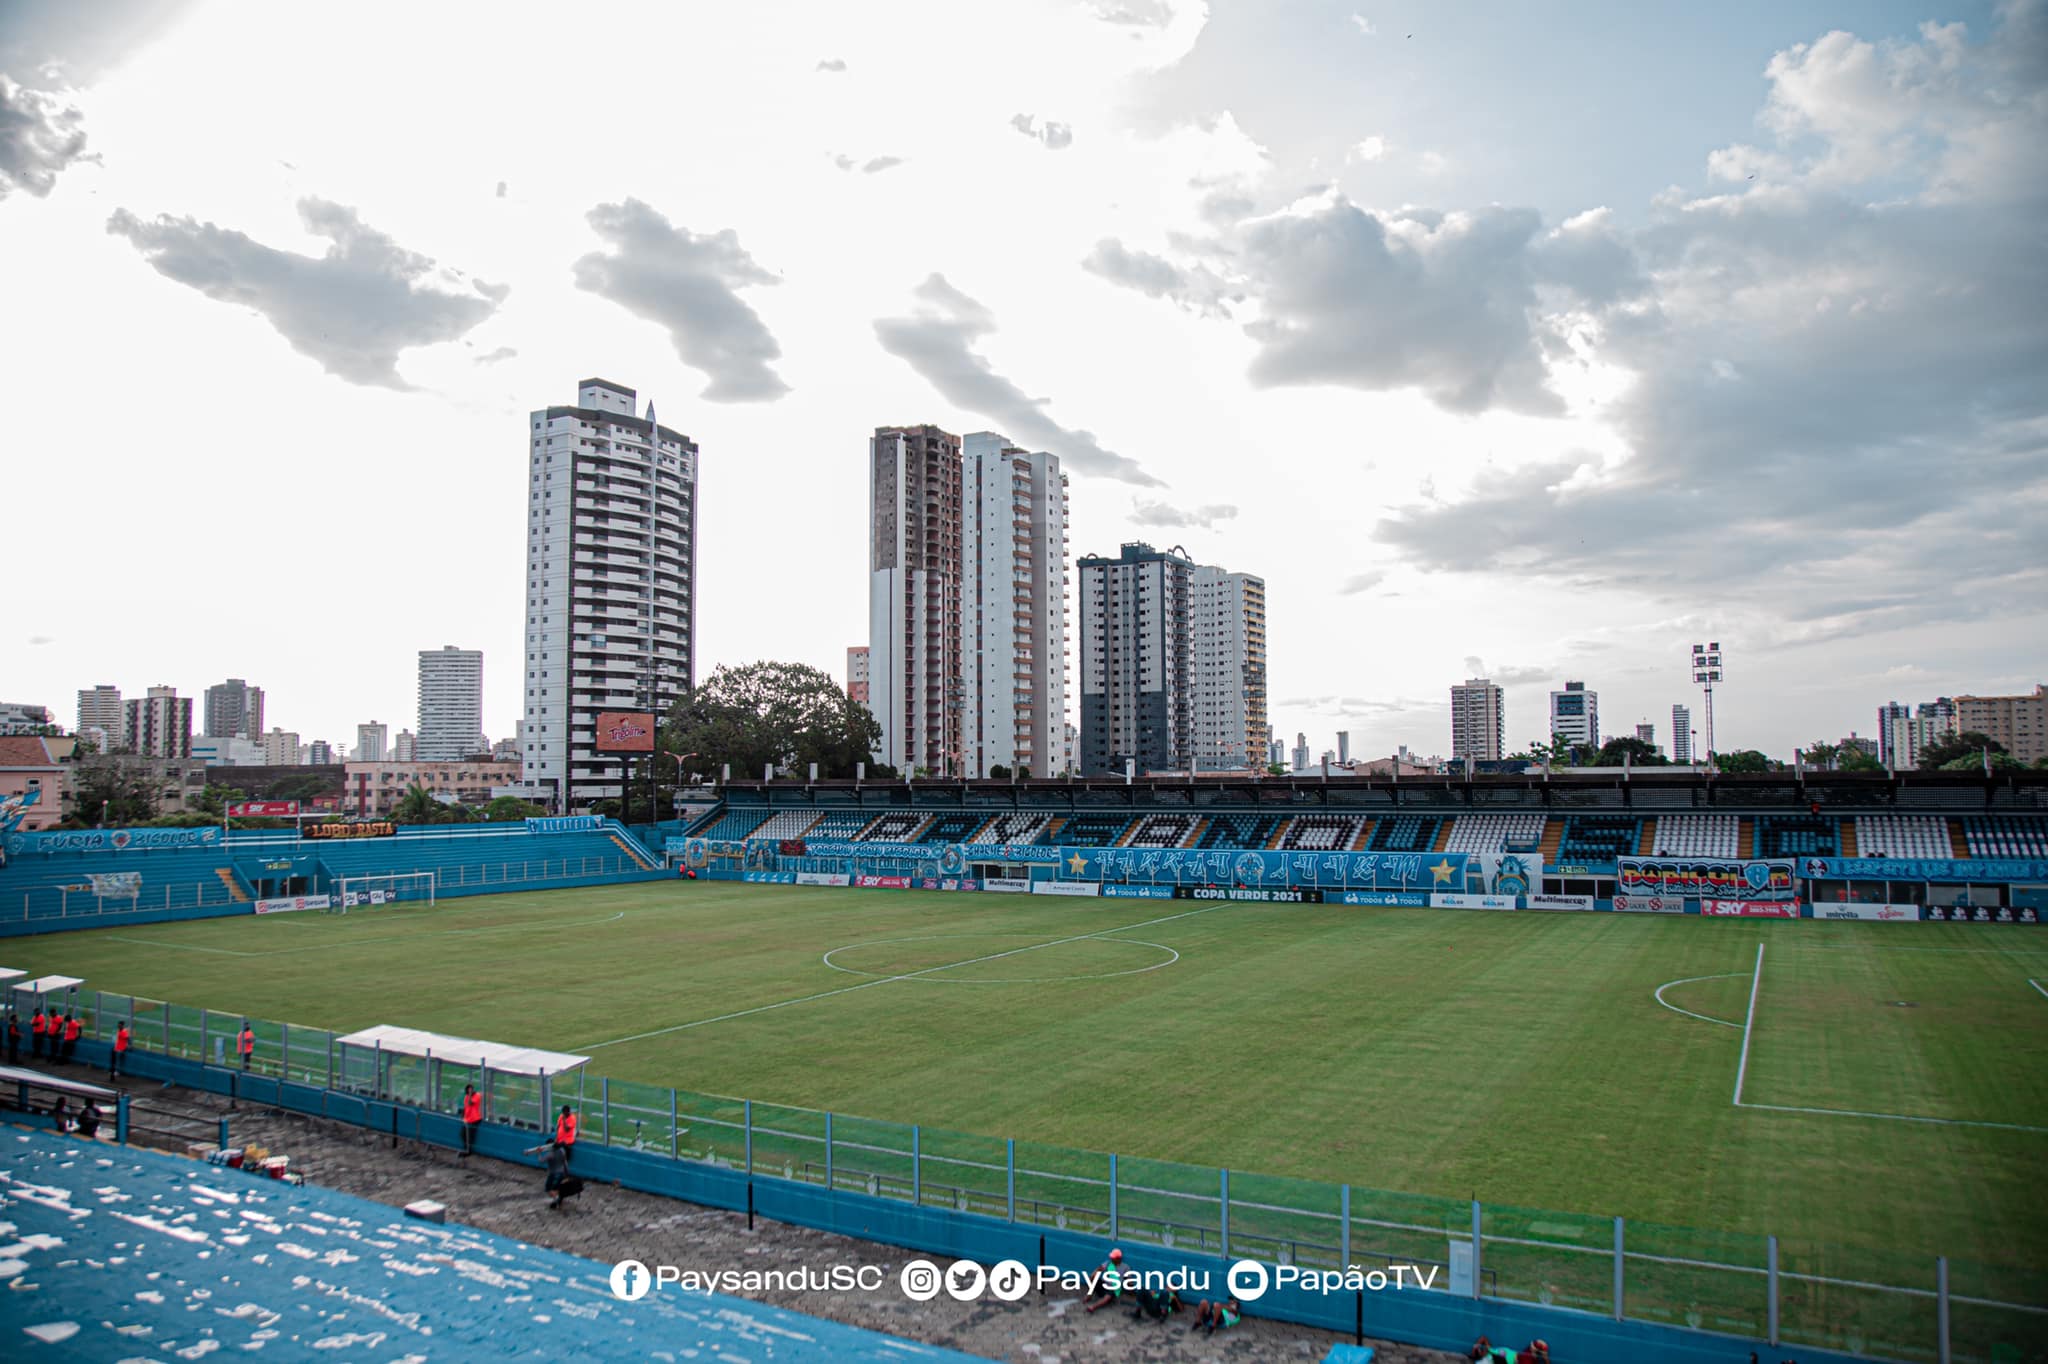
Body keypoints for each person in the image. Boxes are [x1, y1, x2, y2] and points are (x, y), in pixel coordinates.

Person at [1083, 1247, 1125, 1313]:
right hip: (1104, 1284)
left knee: (1108, 1296)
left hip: (1112, 1288)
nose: (1111, 1259)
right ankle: (1089, 1295)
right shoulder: (1108, 1263)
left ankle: (1093, 1306)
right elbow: (1098, 1269)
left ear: (1118, 1259)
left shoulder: (1124, 1267)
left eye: (1113, 1258)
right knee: (1093, 1279)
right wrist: (1092, 1276)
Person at [543, 1141, 582, 1209]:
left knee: (551, 1188)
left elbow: (541, 1160)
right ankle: (558, 1201)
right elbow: (565, 1164)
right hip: (562, 1173)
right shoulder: (562, 1152)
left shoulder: (553, 1154)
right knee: (560, 1188)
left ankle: (557, 1200)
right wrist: (567, 1174)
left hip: (556, 1174)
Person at [460, 1083, 483, 1157]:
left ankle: (468, 1151)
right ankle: (466, 1149)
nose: (469, 1091)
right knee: (463, 1134)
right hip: (468, 1119)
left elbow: (470, 1103)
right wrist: (463, 1116)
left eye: (470, 1090)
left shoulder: (477, 1095)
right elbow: (466, 1106)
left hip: (475, 1119)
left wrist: (470, 1094)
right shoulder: (466, 1096)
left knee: (470, 1135)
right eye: (468, 1090)